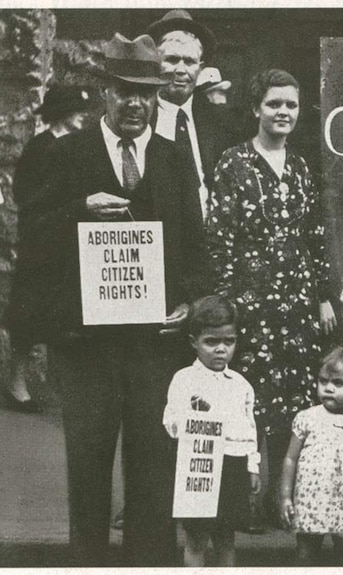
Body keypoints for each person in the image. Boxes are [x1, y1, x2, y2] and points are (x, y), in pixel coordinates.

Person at [27, 33, 209, 566]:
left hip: (157, 345)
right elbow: (31, 235)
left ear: (159, 97)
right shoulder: (67, 153)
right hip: (87, 345)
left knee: (154, 470)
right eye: (125, 91)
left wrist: (191, 304)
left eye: (147, 93)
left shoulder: (174, 158)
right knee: (87, 465)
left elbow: (196, 247)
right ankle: (87, 563)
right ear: (105, 91)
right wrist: (80, 208)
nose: (136, 104)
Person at [208, 68, 337, 529]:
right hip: (250, 302)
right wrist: (226, 304)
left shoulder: (301, 167)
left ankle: (280, 503)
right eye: (274, 104)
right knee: (249, 401)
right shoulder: (233, 163)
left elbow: (315, 236)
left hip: (297, 302)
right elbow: (219, 236)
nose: (283, 112)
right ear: (255, 109)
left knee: (292, 400)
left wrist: (322, 296)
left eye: (291, 105)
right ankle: (241, 504)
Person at [2, 85, 91, 413]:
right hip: (42, 243)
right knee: (29, 315)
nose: (83, 117)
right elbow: (27, 195)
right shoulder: (42, 147)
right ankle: (17, 383)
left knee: (64, 317)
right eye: (77, 111)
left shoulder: (78, 145)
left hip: (69, 242)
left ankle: (57, 385)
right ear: (63, 114)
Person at [162, 295, 261, 567]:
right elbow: (171, 423)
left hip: (232, 466)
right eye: (211, 342)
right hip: (199, 467)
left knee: (226, 538)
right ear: (194, 341)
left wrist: (252, 466)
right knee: (196, 539)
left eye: (228, 342)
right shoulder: (183, 380)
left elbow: (249, 429)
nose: (221, 349)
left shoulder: (241, 385)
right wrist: (194, 422)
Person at [279, 347, 343, 565]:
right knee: (306, 555)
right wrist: (285, 496)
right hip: (310, 502)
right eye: (323, 381)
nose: (329, 388)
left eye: (339, 383)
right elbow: (290, 458)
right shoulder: (307, 418)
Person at [146, 9, 238, 220]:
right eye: (171, 60)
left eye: (189, 62)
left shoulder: (220, 123)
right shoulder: (140, 118)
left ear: (200, 67)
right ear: (155, 64)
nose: (181, 70)